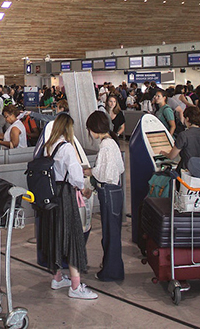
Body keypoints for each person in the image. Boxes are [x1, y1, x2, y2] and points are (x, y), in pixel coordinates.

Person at [36, 113, 97, 299]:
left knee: (55, 236)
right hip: (66, 196)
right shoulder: (68, 148)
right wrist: (84, 188)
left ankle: (57, 278)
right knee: (72, 238)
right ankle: (76, 287)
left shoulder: (49, 146)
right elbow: (77, 176)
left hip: (52, 196)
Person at [84, 111, 125, 282]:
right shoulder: (112, 143)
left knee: (110, 234)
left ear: (95, 128)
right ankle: (111, 267)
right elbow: (120, 168)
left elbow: (103, 173)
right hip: (115, 191)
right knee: (112, 232)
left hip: (108, 191)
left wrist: (90, 171)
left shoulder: (106, 145)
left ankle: (111, 272)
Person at [159, 106, 200, 170]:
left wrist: (164, 153)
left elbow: (172, 156)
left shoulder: (183, 135)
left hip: (185, 170)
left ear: (187, 119)